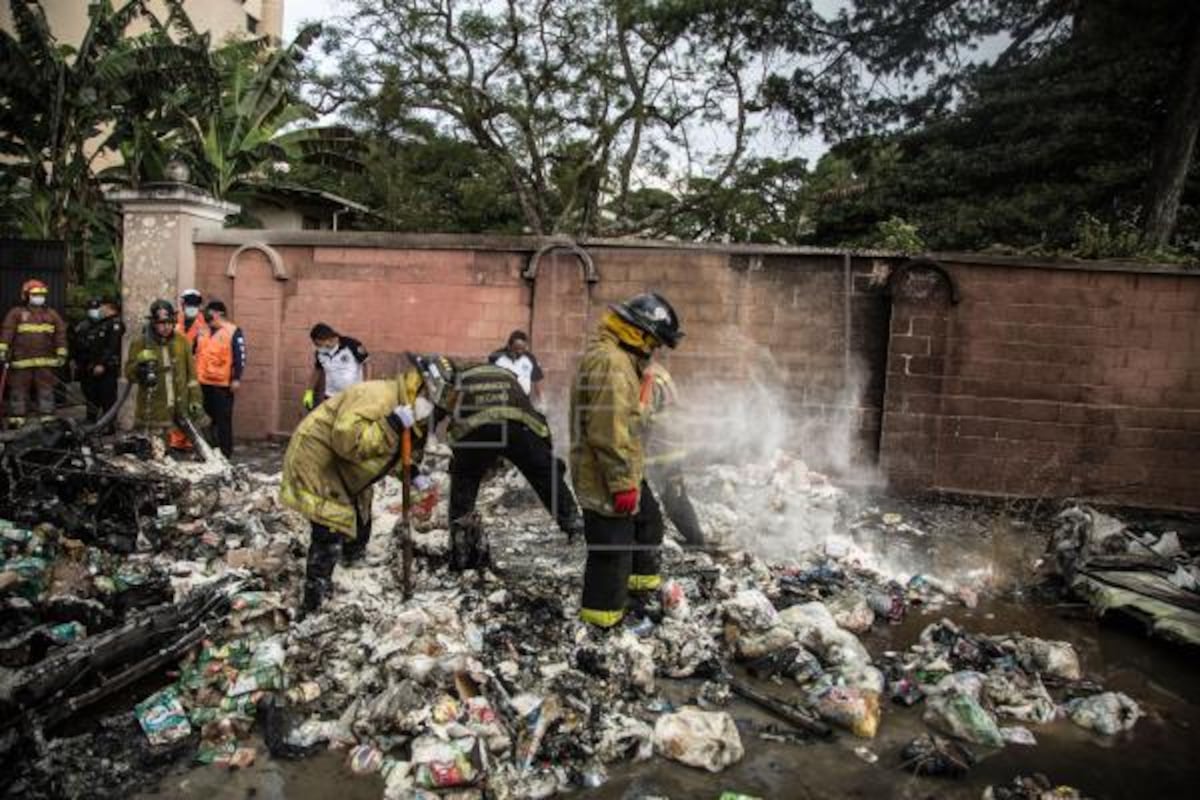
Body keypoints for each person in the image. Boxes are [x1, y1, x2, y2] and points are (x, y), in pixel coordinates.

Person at [570, 292, 683, 628]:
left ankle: (636, 596)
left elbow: (625, 421)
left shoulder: (617, 359)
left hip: (619, 468)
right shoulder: (613, 364)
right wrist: (622, 483)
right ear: (642, 334)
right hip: (605, 474)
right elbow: (610, 430)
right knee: (611, 553)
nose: (654, 351)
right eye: (655, 343)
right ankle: (602, 623)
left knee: (647, 520)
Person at [280, 367, 431, 614]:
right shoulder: (379, 397)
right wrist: (391, 423)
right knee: (330, 521)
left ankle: (352, 561)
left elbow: (383, 450)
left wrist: (410, 472)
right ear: (422, 389)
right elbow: (347, 441)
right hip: (319, 461)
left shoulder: (407, 406)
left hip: (345, 467)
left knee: (361, 511)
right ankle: (315, 599)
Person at [409, 353, 584, 565]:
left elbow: (435, 415)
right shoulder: (508, 378)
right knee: (544, 475)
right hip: (519, 427)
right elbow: (539, 426)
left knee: (465, 480)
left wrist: (415, 454)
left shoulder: (458, 378)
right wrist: (551, 464)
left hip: (475, 431)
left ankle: (461, 547)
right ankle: (573, 525)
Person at [125, 299, 204, 450]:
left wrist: (195, 399)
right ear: (153, 323)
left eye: (169, 322)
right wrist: (139, 366)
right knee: (153, 453)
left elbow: (192, 376)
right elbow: (129, 374)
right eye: (161, 323)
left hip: (179, 407)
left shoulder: (182, 342)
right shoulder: (140, 343)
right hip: (153, 410)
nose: (166, 327)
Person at [643, 361, 706, 549]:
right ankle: (695, 540)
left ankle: (696, 542)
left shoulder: (648, 377)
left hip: (661, 451)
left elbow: (641, 417)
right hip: (668, 448)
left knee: (674, 498)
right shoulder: (657, 371)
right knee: (673, 497)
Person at [0, 279, 68, 424]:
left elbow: (60, 333)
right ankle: (17, 416)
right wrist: (3, 349)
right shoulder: (16, 313)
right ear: (26, 296)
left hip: (45, 360)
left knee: (46, 389)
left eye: (42, 294)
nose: (40, 297)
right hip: (21, 360)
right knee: (18, 389)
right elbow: (7, 331)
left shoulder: (52, 314)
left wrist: (62, 352)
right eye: (36, 294)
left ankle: (47, 415)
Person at [195, 300, 246, 458]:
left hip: (222, 384)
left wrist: (236, 378)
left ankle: (224, 453)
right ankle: (208, 451)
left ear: (219, 313)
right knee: (205, 420)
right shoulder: (203, 331)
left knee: (223, 421)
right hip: (202, 382)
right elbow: (194, 352)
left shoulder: (233, 331)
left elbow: (240, 356)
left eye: (210, 314)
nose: (207, 317)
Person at [71, 296, 125, 430]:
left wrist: (102, 363)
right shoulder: (103, 323)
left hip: (107, 367)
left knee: (108, 397)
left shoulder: (115, 324)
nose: (99, 310)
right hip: (93, 366)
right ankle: (94, 420)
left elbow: (112, 347)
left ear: (109, 308)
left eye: (102, 307)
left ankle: (109, 425)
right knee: (93, 394)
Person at [303, 323, 369, 412]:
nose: (319, 348)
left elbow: (366, 364)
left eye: (320, 344)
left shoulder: (351, 344)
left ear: (328, 339)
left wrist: (365, 387)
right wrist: (309, 391)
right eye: (317, 345)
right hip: (331, 396)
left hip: (353, 395)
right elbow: (318, 370)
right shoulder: (320, 353)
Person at [488, 329, 544, 404]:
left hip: (523, 402)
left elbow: (537, 381)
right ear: (509, 346)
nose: (519, 352)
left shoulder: (530, 359)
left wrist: (542, 402)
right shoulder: (496, 357)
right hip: (501, 401)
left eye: (522, 349)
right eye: (516, 349)